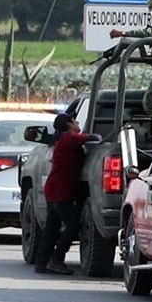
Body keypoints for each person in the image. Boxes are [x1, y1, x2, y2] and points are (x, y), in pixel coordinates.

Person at [36, 113, 99, 274]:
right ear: (69, 124)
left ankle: (42, 263)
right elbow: (92, 137)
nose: (78, 123)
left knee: (52, 228)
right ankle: (57, 259)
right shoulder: (68, 139)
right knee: (73, 225)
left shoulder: (62, 140)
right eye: (74, 121)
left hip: (55, 190)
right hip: (60, 193)